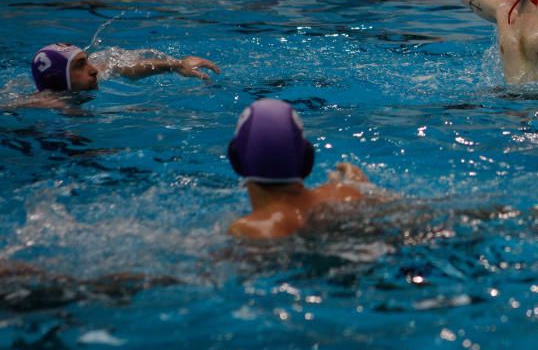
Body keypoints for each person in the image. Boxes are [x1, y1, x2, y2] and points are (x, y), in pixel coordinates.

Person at [227, 99, 383, 240]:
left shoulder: (249, 230)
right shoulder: (346, 195)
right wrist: (365, 189)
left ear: (237, 161)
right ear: (306, 158)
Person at [30, 42, 219, 94]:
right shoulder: (45, 105)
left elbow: (122, 67)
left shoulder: (94, 75)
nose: (93, 69)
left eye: (87, 61)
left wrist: (175, 65)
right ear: (58, 79)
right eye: (80, 66)